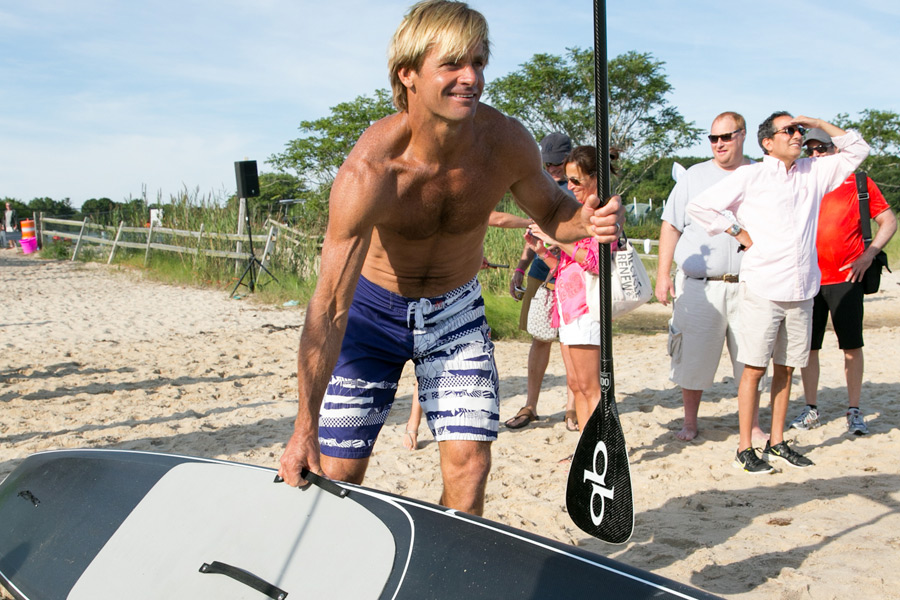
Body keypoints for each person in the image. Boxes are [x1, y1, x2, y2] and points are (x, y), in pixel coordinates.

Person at [277, 0, 623, 516]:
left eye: (479, 63)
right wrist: (302, 428)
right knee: (339, 473)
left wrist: (586, 221)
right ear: (408, 74)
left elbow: (554, 210)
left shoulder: (503, 142)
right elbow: (328, 308)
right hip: (373, 314)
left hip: (455, 311)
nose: (471, 78)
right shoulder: (370, 172)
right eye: (453, 64)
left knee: (470, 463)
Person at [688, 112, 869, 474]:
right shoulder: (751, 175)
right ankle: (745, 447)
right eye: (789, 130)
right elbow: (700, 206)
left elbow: (857, 149)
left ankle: (777, 441)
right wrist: (738, 231)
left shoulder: (814, 171)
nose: (798, 135)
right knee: (754, 369)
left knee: (788, 368)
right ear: (768, 142)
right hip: (763, 287)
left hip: (802, 288)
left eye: (800, 130)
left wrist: (818, 120)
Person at [655, 111, 766, 442]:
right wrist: (663, 274)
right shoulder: (693, 177)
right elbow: (670, 225)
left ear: (742, 135)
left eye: (726, 137)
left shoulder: (759, 174)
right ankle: (690, 422)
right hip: (701, 286)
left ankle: (754, 424)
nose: (719, 144)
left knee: (752, 357)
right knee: (693, 359)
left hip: (749, 284)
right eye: (713, 138)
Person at [791, 128, 897, 435]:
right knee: (808, 348)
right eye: (809, 150)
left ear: (836, 149)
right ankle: (811, 409)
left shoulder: (858, 181)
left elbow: (889, 221)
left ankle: (854, 409)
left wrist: (869, 255)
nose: (815, 154)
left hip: (848, 277)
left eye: (821, 148)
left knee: (851, 346)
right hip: (808, 279)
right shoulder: (803, 182)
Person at [528, 145, 620, 461]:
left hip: (587, 310)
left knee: (590, 388)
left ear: (597, 179)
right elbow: (566, 265)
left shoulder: (605, 214)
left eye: (576, 181)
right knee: (576, 385)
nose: (570, 188)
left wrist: (556, 239)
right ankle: (586, 449)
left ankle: (598, 451)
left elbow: (595, 263)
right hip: (568, 309)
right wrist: (542, 251)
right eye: (568, 181)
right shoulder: (578, 215)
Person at [505, 132, 578, 431]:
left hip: (570, 269)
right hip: (540, 268)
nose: (553, 170)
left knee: (572, 342)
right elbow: (534, 228)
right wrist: (521, 268)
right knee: (540, 337)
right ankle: (531, 404)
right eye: (547, 164)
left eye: (557, 163)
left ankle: (572, 408)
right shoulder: (540, 185)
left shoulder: (579, 187)